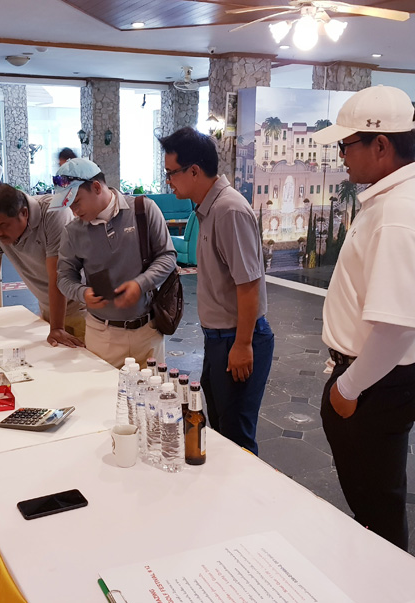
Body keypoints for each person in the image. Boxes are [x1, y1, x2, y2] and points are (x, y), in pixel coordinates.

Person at [312, 85, 415, 550]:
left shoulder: (398, 213)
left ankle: (384, 580)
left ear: (381, 145)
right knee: (381, 496)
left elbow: (396, 325)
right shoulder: (414, 193)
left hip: (378, 383)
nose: (342, 157)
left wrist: (347, 389)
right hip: (397, 374)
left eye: (346, 145)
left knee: (377, 512)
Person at [159, 127, 274, 455]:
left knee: (237, 437)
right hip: (218, 339)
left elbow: (248, 284)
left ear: (194, 171)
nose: (169, 181)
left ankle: (245, 489)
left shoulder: (229, 210)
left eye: (171, 173)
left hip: (237, 339)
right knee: (223, 431)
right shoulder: (207, 209)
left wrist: (243, 344)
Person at [54, 158, 177, 368]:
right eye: (69, 206)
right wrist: (83, 293)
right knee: (105, 390)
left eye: (76, 202)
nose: (74, 211)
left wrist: (140, 284)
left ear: (96, 187)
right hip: (102, 336)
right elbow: (64, 278)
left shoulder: (143, 210)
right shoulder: (73, 231)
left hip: (148, 331)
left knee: (153, 388)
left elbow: (167, 256)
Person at [0, 183, 85, 347]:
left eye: (3, 225)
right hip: (50, 306)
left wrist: (57, 328)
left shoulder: (54, 212)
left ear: (24, 213)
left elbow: (58, 274)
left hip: (83, 304)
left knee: (84, 356)